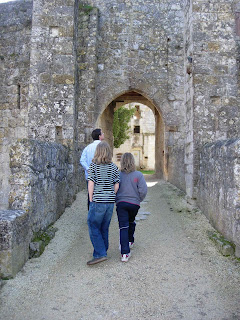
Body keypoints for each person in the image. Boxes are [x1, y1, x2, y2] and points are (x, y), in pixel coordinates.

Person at [87, 141, 120, 265]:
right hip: (110, 202)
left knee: (93, 225)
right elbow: (116, 184)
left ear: (98, 152)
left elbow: (91, 183)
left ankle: (100, 253)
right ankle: (101, 251)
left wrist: (91, 198)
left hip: (98, 201)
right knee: (104, 227)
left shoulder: (94, 166)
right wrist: (112, 194)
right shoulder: (113, 167)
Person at [116, 153, 147, 262]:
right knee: (131, 221)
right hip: (134, 204)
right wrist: (138, 199)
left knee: (123, 226)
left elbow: (114, 188)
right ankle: (130, 241)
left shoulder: (118, 175)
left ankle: (125, 252)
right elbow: (143, 190)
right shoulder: (138, 175)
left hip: (121, 203)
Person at [80, 128, 104, 209]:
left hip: (90, 176)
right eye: (102, 133)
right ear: (100, 136)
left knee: (90, 195)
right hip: (101, 175)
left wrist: (88, 169)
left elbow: (82, 160)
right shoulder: (104, 147)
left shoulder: (88, 147)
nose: (103, 134)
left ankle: (91, 214)